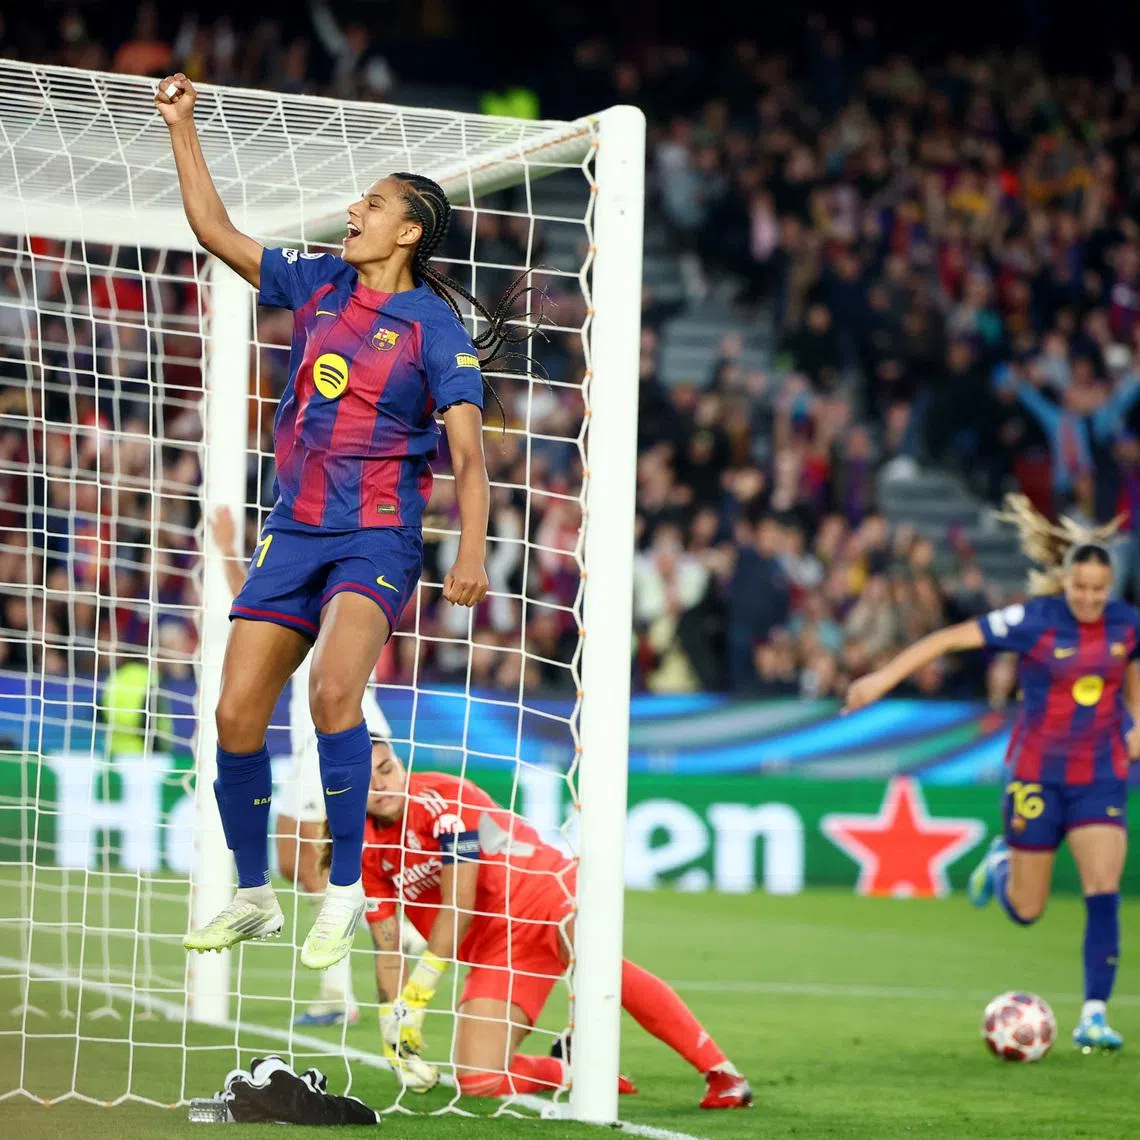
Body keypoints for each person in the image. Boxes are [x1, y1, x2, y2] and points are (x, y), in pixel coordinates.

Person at [158, 73, 526, 970]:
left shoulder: (433, 328)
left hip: (377, 535)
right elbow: (214, 233)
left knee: (333, 693)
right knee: (236, 713)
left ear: (408, 231)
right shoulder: (317, 282)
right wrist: (183, 125)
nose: (353, 210)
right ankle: (253, 894)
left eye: (373, 203)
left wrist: (470, 549)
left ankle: (348, 890)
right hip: (295, 528)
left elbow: (471, 456)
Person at [845, 494, 1140, 1051]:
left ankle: (1094, 1015)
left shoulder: (1126, 624)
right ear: (1065, 580)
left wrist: (1138, 724)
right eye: (1080, 588)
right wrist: (880, 680)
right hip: (1035, 776)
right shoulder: (1033, 620)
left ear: (1111, 587)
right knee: (1028, 911)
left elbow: (1133, 669)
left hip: (1100, 773)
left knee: (1104, 887)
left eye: (1099, 591)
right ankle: (1002, 864)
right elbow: (949, 638)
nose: (1089, 598)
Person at [345, 743, 753, 1110]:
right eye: (367, 779)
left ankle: (722, 1072)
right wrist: (391, 1023)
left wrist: (418, 996)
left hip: (542, 889)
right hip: (495, 944)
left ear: (401, 766)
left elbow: (459, 902)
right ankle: (576, 1072)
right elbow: (387, 944)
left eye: (387, 768)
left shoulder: (444, 798)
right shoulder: (362, 849)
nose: (381, 784)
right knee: (478, 1079)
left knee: (594, 961)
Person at [209, 505, 397, 1025]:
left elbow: (257, 603)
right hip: (307, 740)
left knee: (314, 865)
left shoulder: (339, 591)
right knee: (293, 862)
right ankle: (376, 927)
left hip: (335, 735)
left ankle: (340, 994)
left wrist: (226, 549)